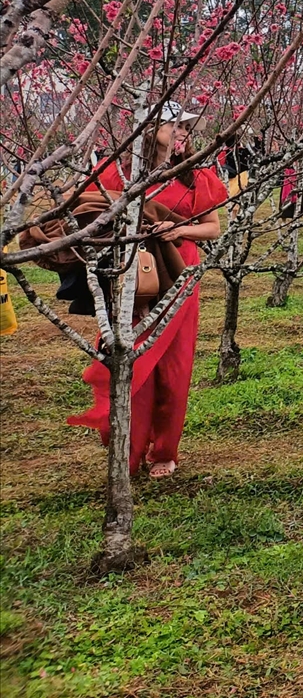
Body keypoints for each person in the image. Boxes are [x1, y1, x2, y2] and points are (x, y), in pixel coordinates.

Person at [67, 102, 228, 479]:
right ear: (150, 126)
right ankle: (128, 449)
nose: (185, 132)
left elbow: (212, 228)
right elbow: (88, 212)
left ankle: (165, 451)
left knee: (172, 367)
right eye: (177, 125)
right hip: (128, 274)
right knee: (129, 358)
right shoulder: (116, 173)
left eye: (188, 127)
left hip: (176, 274)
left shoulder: (194, 174)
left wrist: (178, 230)